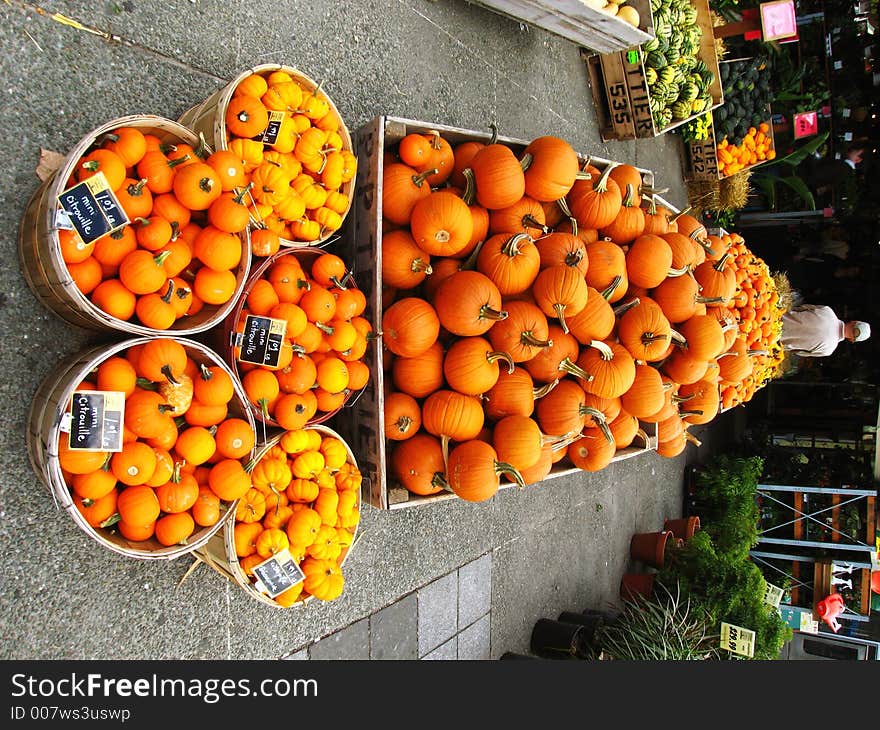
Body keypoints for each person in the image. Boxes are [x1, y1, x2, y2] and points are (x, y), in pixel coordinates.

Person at [780, 304, 870, 357]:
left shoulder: (827, 311)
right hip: (773, 342)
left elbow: (800, 308)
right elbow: (798, 352)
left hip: (773, 316)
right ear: (852, 340)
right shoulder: (828, 350)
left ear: (853, 322)